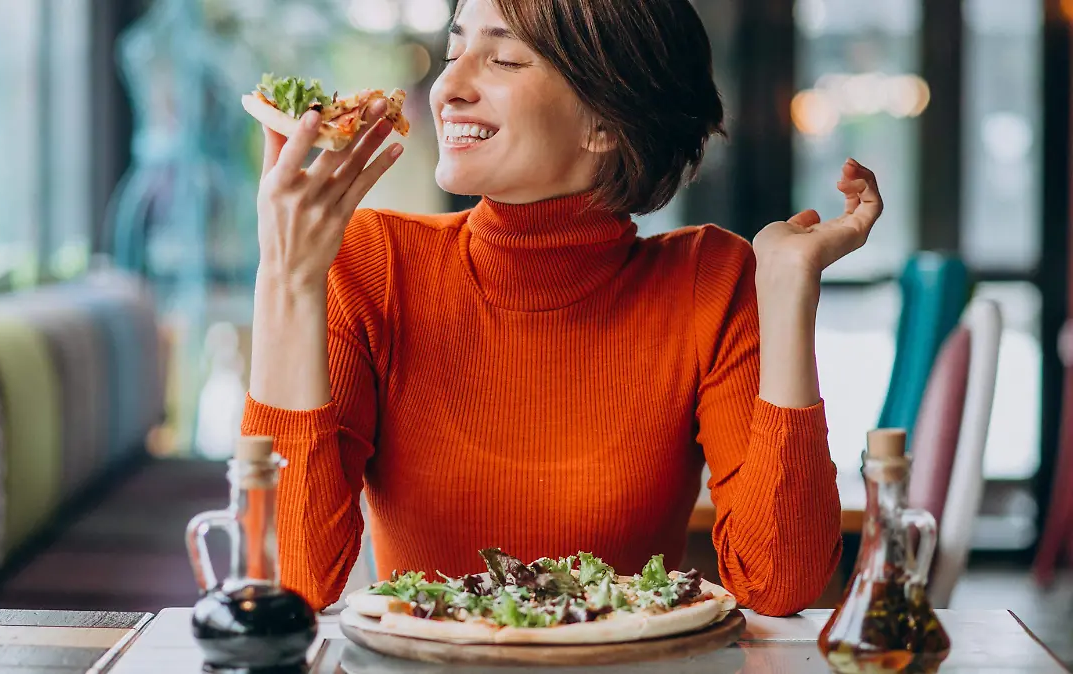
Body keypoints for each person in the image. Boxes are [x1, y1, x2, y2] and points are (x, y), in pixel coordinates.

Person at [242, 0, 882, 617]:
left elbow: (782, 581)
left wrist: (789, 290)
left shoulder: (709, 278)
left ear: (605, 120)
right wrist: (286, 279)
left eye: (503, 61)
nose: (447, 87)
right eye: (455, 48)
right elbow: (292, 581)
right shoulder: (372, 259)